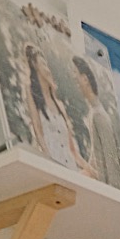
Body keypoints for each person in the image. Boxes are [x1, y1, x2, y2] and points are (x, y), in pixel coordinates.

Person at [71, 56, 120, 192]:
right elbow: (96, 165)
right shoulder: (93, 113)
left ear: (85, 79)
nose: (74, 78)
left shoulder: (100, 116)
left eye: (75, 73)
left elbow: (112, 165)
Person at [22, 44, 84, 172]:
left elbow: (72, 149)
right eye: (43, 64)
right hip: (53, 165)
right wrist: (48, 162)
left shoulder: (58, 104)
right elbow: (38, 132)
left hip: (71, 168)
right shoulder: (32, 95)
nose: (47, 69)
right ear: (35, 65)